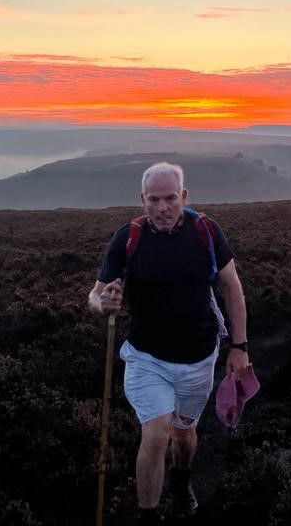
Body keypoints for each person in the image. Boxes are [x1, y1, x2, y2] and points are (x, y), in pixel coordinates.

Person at [88, 161, 250, 524]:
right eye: (154, 200)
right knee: (156, 434)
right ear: (142, 200)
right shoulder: (128, 238)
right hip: (147, 358)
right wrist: (104, 303)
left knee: (184, 434)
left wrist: (239, 348)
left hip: (198, 357)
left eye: (171, 199)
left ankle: (181, 480)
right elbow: (95, 296)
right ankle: (149, 516)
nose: (162, 208)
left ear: (184, 197)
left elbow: (232, 287)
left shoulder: (206, 231)